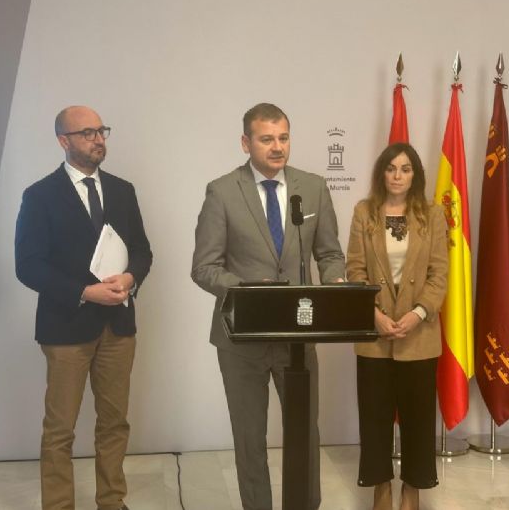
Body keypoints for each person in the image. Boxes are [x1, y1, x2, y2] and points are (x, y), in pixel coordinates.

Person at [191, 103, 345, 510]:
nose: (277, 147)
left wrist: (335, 282)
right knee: (250, 438)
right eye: (266, 139)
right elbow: (204, 267)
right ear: (246, 143)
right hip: (241, 339)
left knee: (304, 434)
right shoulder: (223, 191)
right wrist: (247, 291)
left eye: (283, 138)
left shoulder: (313, 187)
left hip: (299, 335)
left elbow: (330, 254)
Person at [15, 106, 152, 510]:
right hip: (65, 328)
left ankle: (112, 502)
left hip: (118, 326)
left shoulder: (123, 190)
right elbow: (28, 265)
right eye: (88, 132)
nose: (98, 139)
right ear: (64, 140)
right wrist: (84, 291)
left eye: (101, 131)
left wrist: (130, 278)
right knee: (60, 430)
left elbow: (142, 251)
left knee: (115, 423)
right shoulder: (39, 195)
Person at [346, 143, 448, 510]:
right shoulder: (364, 212)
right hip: (375, 336)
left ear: (415, 175)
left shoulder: (432, 215)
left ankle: (412, 490)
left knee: (418, 419)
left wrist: (418, 313)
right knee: (374, 418)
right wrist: (374, 315)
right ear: (382, 173)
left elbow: (439, 274)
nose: (398, 176)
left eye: (405, 169)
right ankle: (380, 489)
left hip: (419, 335)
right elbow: (355, 270)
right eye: (391, 169)